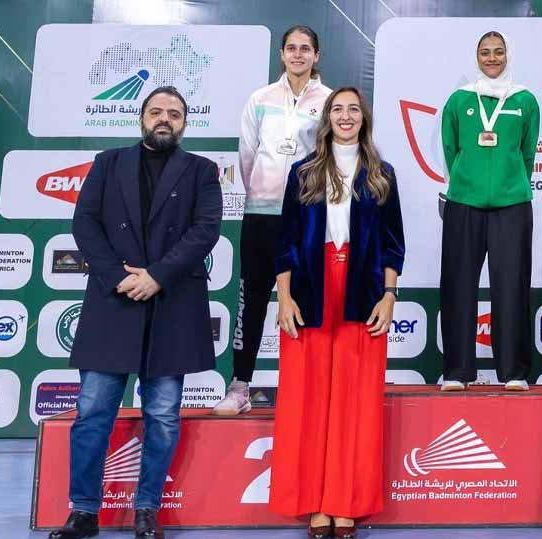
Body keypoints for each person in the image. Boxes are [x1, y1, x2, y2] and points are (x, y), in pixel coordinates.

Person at [50, 87, 222, 539]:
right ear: (142, 117)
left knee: (162, 416)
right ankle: (83, 511)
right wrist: (117, 276)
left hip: (171, 302)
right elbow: (85, 222)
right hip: (114, 300)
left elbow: (206, 230)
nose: (165, 119)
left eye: (174, 113)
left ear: (185, 123)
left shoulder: (202, 170)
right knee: (92, 411)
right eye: (156, 111)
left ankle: (147, 510)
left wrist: (157, 276)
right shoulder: (108, 163)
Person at [269, 86, 404, 539]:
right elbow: (286, 243)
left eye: (353, 110)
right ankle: (314, 504)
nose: (346, 116)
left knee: (355, 400)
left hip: (362, 290)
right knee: (307, 399)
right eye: (338, 109)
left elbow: (392, 245)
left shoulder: (382, 175)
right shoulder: (303, 172)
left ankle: (345, 503)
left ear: (364, 118)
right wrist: (284, 298)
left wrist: (389, 296)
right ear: (327, 118)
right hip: (310, 289)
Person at [214, 25, 332, 415]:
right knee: (252, 300)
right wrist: (264, 194)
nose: (298, 54)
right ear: (281, 54)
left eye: (305, 48)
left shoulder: (329, 101)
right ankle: (240, 387)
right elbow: (247, 156)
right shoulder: (260, 99)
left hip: (308, 215)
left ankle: (304, 390)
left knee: (305, 301)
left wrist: (304, 200)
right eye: (291, 48)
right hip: (261, 215)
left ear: (316, 56)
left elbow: (331, 158)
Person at [439, 30, 540, 391]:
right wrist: (467, 180)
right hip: (463, 203)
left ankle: (513, 372)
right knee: (458, 285)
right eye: (485, 52)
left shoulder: (525, 100)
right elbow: (450, 149)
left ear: (507, 55)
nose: (492, 58)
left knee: (512, 286)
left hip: (512, 205)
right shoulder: (459, 100)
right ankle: (457, 371)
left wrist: (509, 183)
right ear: (477, 57)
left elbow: (527, 153)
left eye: (498, 52)